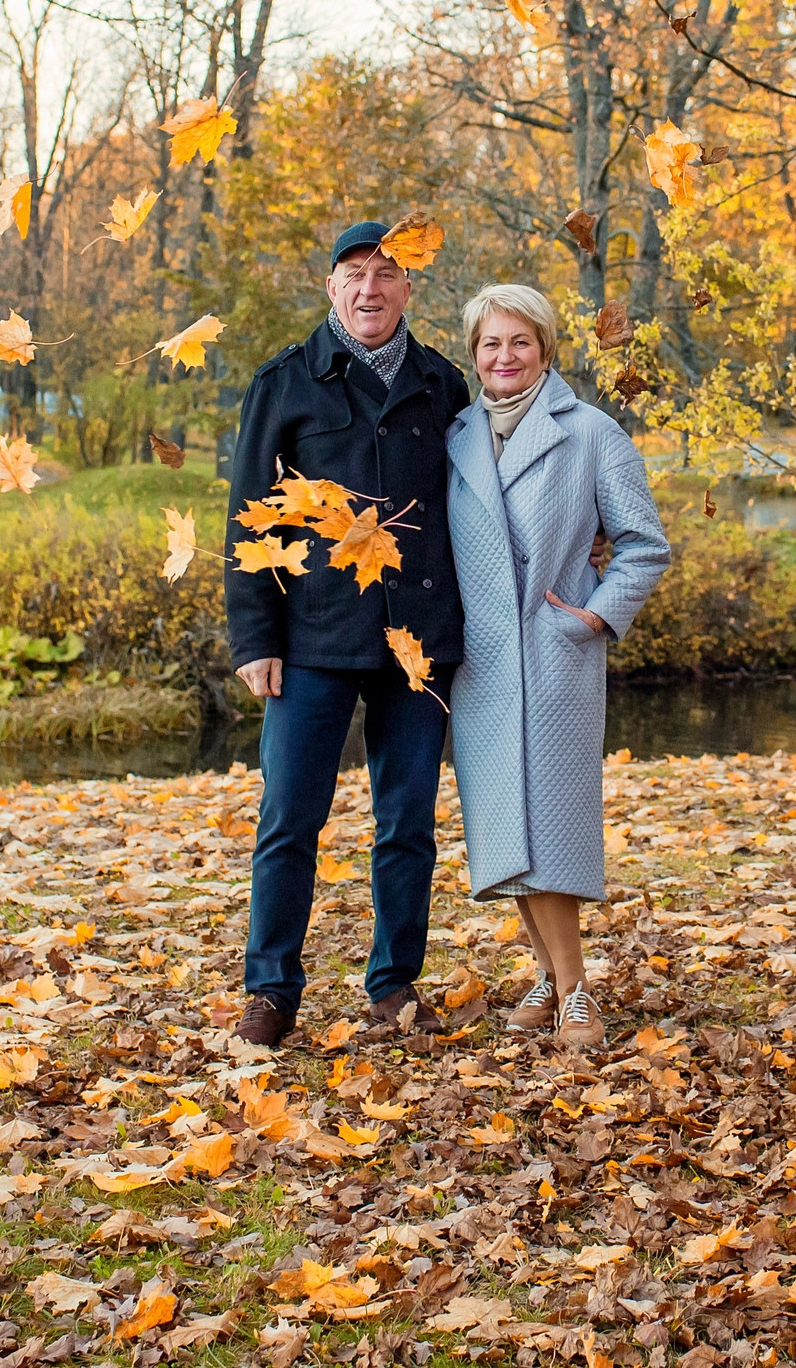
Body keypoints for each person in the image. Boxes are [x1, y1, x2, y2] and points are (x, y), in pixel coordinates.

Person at [225, 221, 472, 1048]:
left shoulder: (444, 385)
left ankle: (394, 983)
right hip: (310, 638)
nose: (370, 289)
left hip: (418, 640)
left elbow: (481, 502)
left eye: (387, 274)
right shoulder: (285, 383)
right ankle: (271, 990)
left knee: (407, 820)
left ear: (408, 288)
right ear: (331, 288)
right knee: (290, 814)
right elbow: (248, 517)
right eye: (354, 274)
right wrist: (254, 634)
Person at [445, 286, 670, 1048]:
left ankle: (576, 992)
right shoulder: (455, 435)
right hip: (479, 661)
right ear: (473, 352)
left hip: (553, 653)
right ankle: (546, 975)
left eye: (519, 342)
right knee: (506, 826)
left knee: (551, 824)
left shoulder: (591, 433)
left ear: (544, 347)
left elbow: (644, 542)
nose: (503, 357)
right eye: (490, 343)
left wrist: (597, 612)